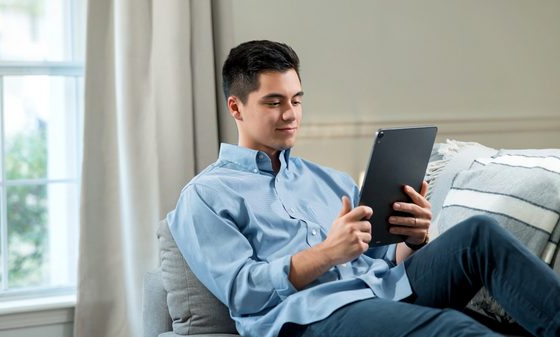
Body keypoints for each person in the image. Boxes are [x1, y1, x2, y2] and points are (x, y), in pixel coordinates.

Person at [167, 40, 560, 337]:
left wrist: (414, 237)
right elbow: (241, 292)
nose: (290, 115)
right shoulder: (205, 196)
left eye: (296, 100)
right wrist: (325, 254)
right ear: (236, 108)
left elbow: (386, 258)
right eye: (274, 102)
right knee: (455, 330)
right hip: (311, 316)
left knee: (480, 235)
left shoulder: (328, 179)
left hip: (382, 290)